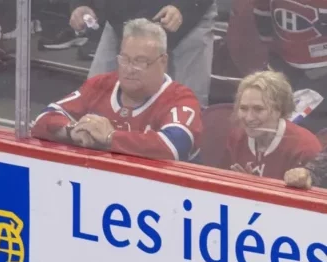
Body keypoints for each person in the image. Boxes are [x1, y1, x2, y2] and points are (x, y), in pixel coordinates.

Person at [31, 18, 203, 162]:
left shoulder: (180, 98)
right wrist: (74, 130)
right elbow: (43, 119)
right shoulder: (100, 85)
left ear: (163, 61)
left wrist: (109, 138)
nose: (129, 68)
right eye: (125, 59)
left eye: (140, 61)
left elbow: (174, 146)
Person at [68, 0, 217, 106]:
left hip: (185, 19)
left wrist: (183, 7)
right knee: (92, 98)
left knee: (188, 105)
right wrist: (82, 4)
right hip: (123, 16)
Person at [217, 70, 320, 178]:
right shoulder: (237, 137)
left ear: (279, 110)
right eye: (243, 108)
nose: (248, 118)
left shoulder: (304, 149)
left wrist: (253, 188)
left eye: (258, 109)